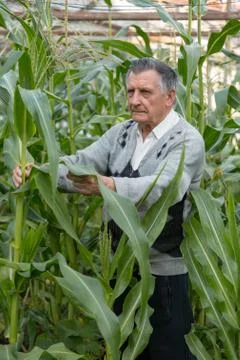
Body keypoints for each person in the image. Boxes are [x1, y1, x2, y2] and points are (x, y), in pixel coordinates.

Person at [13, 58, 205, 360]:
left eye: (144, 92)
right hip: (120, 273)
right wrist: (39, 170)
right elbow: (80, 163)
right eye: (130, 92)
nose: (135, 100)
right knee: (127, 352)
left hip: (163, 277)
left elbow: (165, 188)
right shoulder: (122, 134)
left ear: (170, 97)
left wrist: (109, 185)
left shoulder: (187, 141)